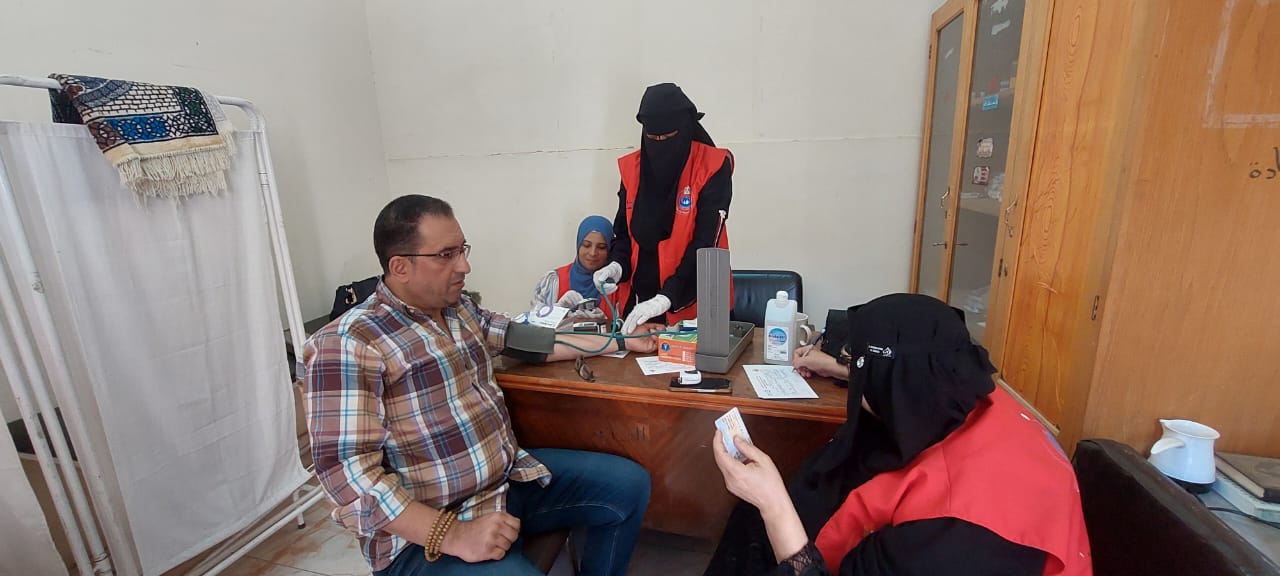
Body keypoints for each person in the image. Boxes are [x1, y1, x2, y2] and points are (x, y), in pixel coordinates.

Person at [304, 195, 660, 576]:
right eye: (446, 255)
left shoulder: (458, 309)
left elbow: (534, 342)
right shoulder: (348, 343)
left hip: (504, 484)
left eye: (462, 250)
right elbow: (350, 482)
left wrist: (622, 340)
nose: (464, 266)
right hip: (427, 536)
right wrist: (453, 534)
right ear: (400, 266)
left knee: (628, 486)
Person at [704, 294, 1092, 576]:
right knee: (751, 520)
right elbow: (914, 383)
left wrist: (774, 504)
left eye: (861, 366)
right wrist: (842, 370)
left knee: (762, 515)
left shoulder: (955, 537)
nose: (857, 375)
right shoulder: (970, 394)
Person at [593, 82, 733, 334]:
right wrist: (616, 266)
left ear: (685, 129)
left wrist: (667, 296)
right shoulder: (633, 169)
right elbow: (623, 233)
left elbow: (706, 244)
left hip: (697, 304)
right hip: (642, 307)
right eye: (652, 138)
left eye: (668, 137)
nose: (660, 144)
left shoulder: (711, 166)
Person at [529, 215, 618, 322]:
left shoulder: (616, 285)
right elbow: (533, 321)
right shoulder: (554, 281)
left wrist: (606, 323)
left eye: (601, 247)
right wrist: (558, 309)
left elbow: (628, 327)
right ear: (578, 245)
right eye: (586, 245)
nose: (593, 253)